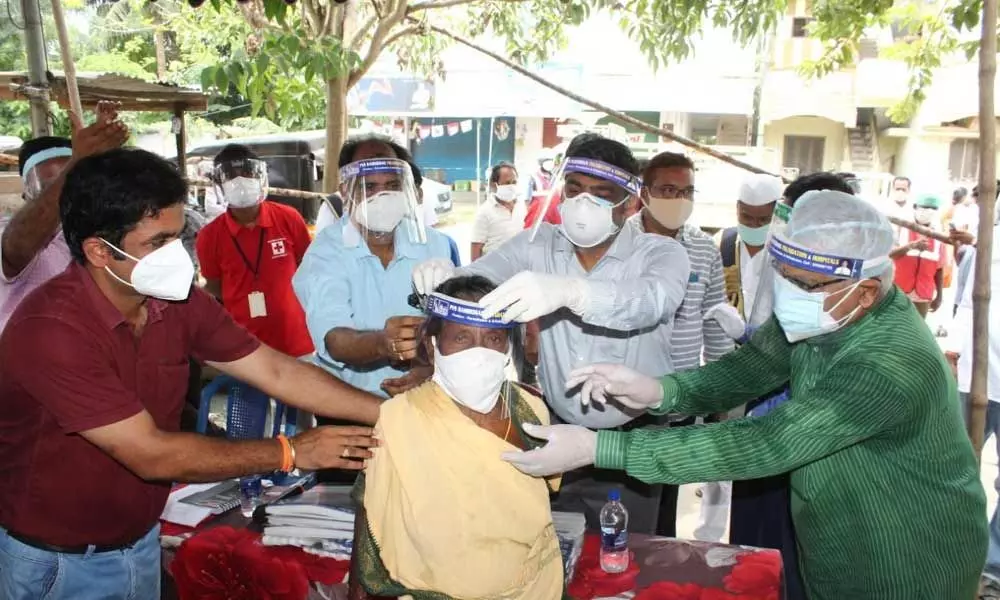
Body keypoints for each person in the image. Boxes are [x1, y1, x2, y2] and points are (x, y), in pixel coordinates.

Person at [504, 189, 988, 600]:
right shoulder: (826, 308)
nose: (790, 293)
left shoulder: (888, 362)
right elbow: (751, 367)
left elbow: (764, 442)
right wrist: (663, 391)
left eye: (805, 284)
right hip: (836, 535)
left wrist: (599, 447)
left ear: (865, 292)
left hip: (909, 554)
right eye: (786, 277)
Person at [0, 148, 382, 600]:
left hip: (139, 543)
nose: (177, 256)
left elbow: (275, 370)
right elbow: (152, 454)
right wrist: (292, 451)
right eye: (157, 243)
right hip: (58, 563)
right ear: (99, 251)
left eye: (178, 237)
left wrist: (391, 412)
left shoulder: (172, 300)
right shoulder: (52, 329)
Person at [411, 135, 691, 534]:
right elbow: (481, 279)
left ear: (630, 203)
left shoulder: (661, 253)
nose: (582, 204)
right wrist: (443, 278)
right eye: (574, 189)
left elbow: (650, 300)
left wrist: (570, 292)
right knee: (551, 551)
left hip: (634, 444)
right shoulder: (536, 245)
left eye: (600, 194)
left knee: (622, 563)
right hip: (554, 433)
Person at [348, 275, 562, 600]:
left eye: (493, 339)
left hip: (538, 588)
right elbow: (371, 514)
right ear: (433, 348)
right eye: (462, 338)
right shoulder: (399, 420)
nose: (480, 353)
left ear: (507, 348)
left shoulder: (530, 409)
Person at [629, 151, 734, 539]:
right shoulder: (620, 242)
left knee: (667, 499)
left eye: (686, 191)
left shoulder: (704, 248)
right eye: (667, 190)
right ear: (645, 192)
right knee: (626, 495)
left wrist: (722, 393)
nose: (678, 200)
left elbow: (716, 321)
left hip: (682, 394)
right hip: (627, 396)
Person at [293, 155, 453, 404]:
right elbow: (334, 339)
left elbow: (450, 326)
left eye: (392, 186)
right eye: (370, 187)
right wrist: (382, 344)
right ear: (348, 191)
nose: (383, 197)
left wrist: (428, 365)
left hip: (424, 397)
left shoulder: (433, 243)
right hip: (350, 403)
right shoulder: (326, 251)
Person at [0, 103, 128, 334]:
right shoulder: (15, 234)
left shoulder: (104, 232)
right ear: (25, 192)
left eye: (75, 180)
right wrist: (78, 163)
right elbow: (17, 246)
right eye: (49, 185)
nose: (66, 192)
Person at [195, 144, 314, 359]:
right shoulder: (209, 236)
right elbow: (215, 286)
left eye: (247, 173)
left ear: (260, 177)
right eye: (231, 176)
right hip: (245, 347)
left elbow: (309, 270)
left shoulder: (289, 218)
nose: (240, 181)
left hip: (298, 341)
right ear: (219, 184)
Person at [947, 224, 1000, 597]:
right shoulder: (988, 240)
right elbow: (963, 303)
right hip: (975, 374)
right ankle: (955, 556)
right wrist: (952, 354)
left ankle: (993, 567)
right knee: (957, 470)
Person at [892, 194, 944, 318]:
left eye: (933, 209)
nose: (929, 211)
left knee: (916, 333)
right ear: (915, 207)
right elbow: (890, 255)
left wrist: (940, 296)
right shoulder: (901, 229)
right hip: (899, 290)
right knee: (894, 329)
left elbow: (939, 268)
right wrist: (911, 246)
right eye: (925, 207)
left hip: (924, 294)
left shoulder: (938, 235)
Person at [471, 161, 525, 261]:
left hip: (518, 267)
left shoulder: (522, 207)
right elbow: (476, 247)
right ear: (494, 185)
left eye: (514, 182)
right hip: (492, 270)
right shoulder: (485, 211)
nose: (512, 186)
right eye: (507, 183)